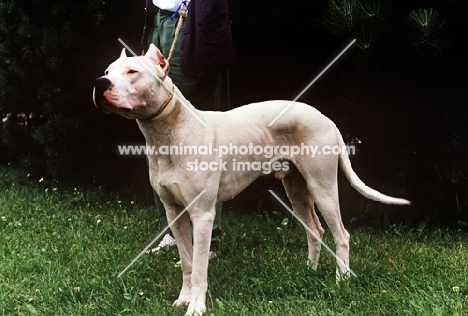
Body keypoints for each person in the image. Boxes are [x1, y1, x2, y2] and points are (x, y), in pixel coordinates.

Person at [142, 0, 236, 255]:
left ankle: (208, 240)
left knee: (200, 137)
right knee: (157, 133)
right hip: (159, 20)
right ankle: (174, 233)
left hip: (194, 22)